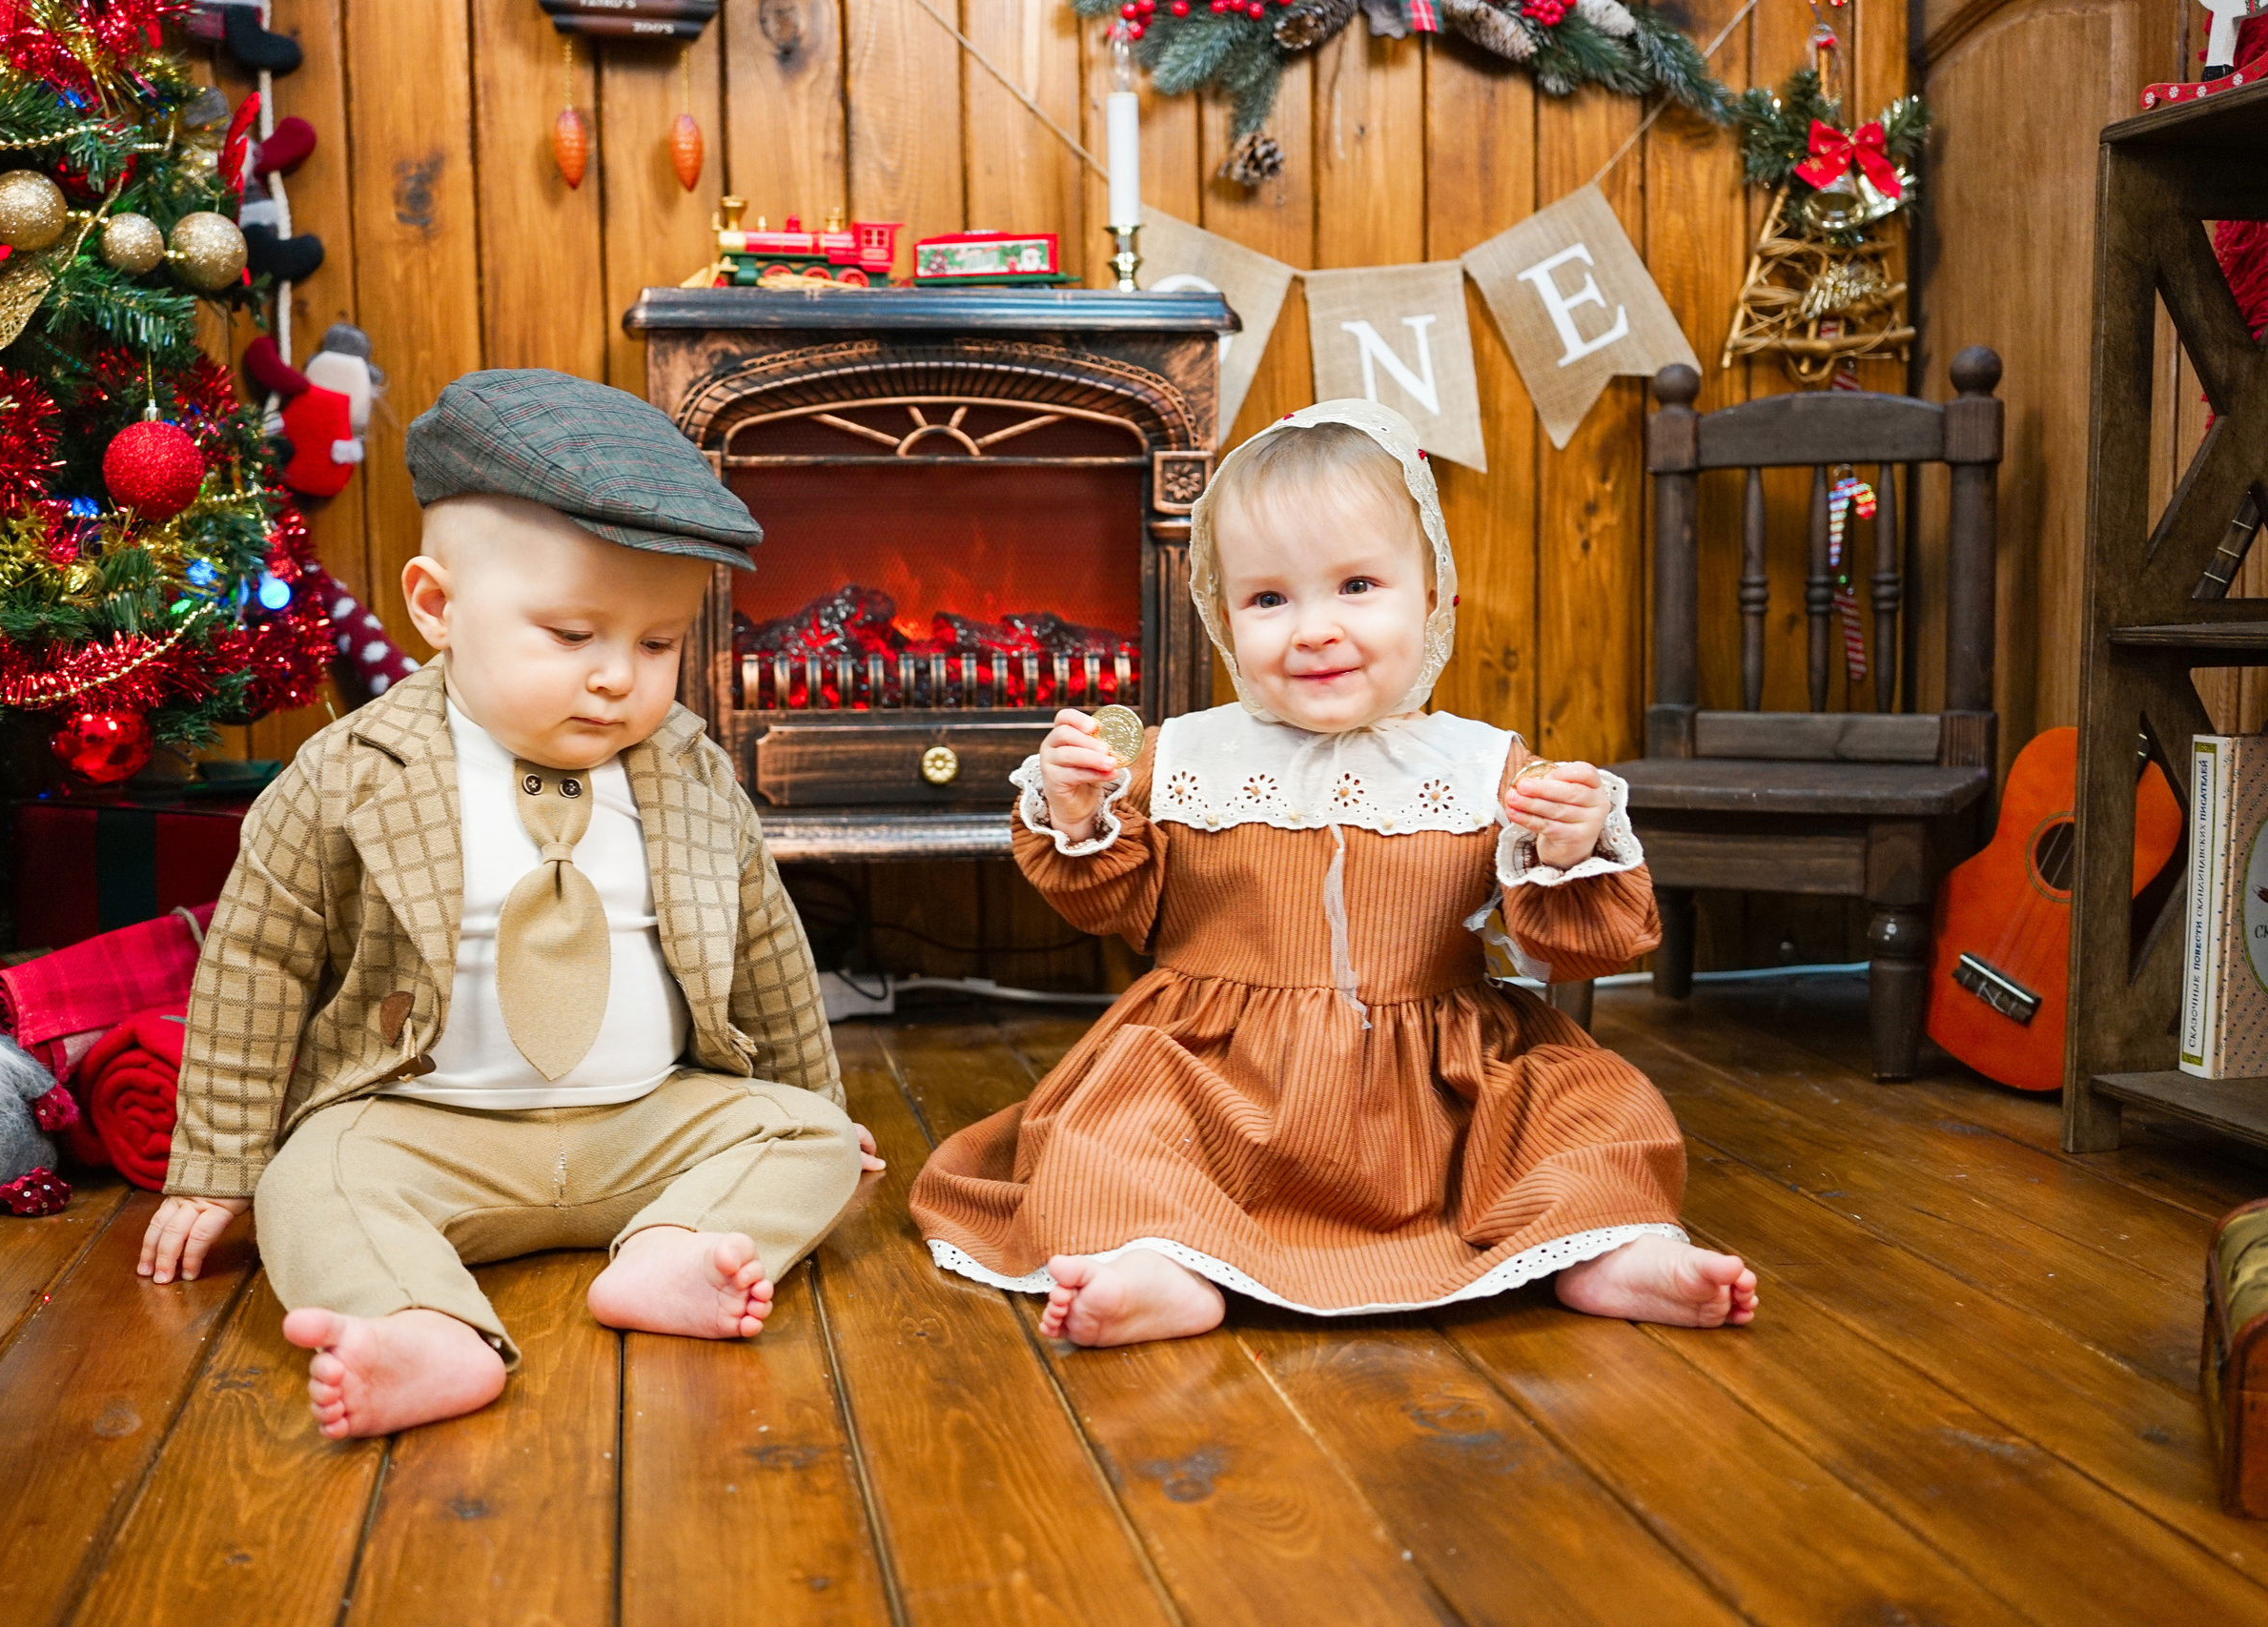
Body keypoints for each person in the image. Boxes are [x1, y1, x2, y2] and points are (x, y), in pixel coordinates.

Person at [908, 399, 1759, 1348]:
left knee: (1587, 1105)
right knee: (1107, 1130)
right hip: (1215, 1073)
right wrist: (1077, 811)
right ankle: (1151, 1254)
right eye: (1269, 600)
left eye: (1356, 584)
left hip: (1439, 1086)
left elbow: (1571, 950)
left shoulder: (1485, 768)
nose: (1312, 629)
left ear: (1435, 598)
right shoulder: (1178, 758)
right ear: (1223, 619)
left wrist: (1564, 851)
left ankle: (1604, 1242)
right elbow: (1105, 903)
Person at [137, 370, 880, 1435]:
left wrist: (822, 1108)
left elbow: (764, 943)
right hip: (430, 1129)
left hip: (642, 1126)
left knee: (805, 1135)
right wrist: (215, 1170)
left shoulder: (687, 771)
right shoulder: (351, 773)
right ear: (436, 607)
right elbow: (257, 962)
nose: (619, 678)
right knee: (313, 1178)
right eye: (574, 636)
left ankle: (671, 1257)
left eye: (657, 643)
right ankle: (417, 1325)